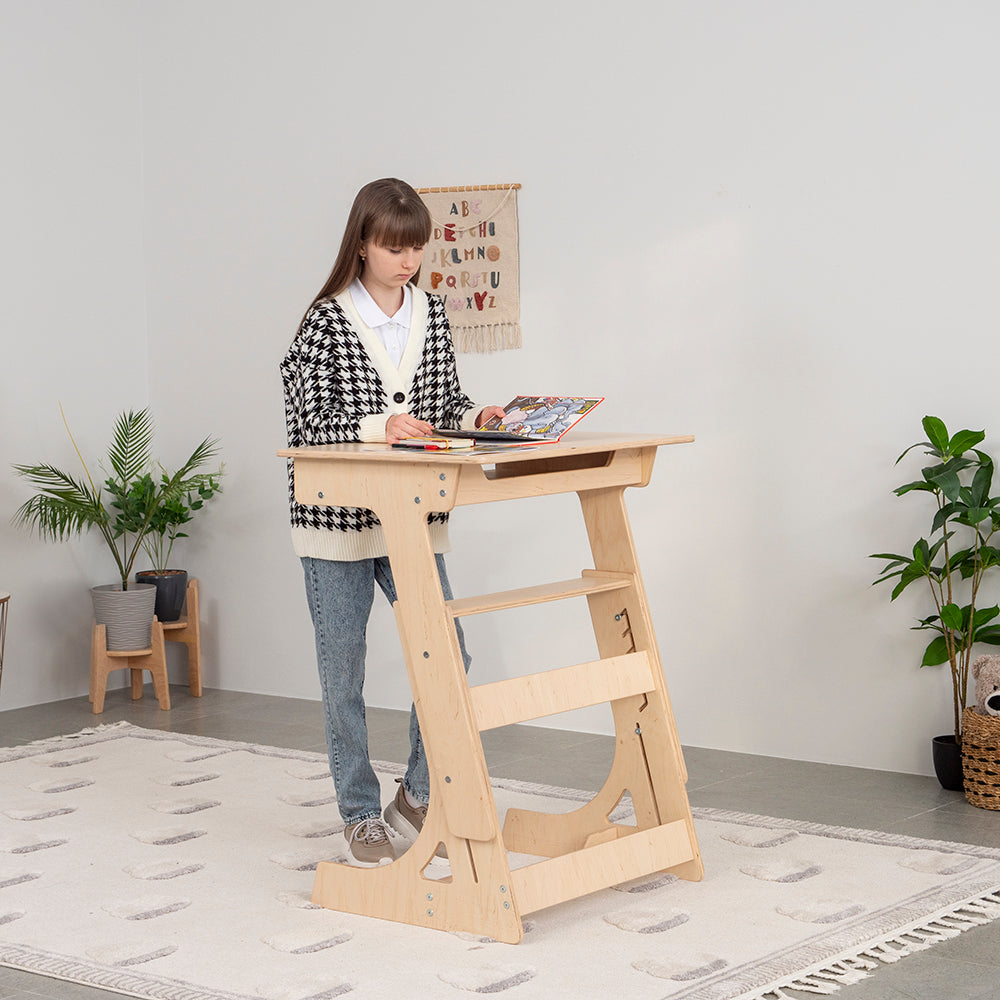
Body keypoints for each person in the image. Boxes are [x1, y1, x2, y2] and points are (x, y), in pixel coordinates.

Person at [280, 178, 504, 867]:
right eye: (393, 247)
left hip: (412, 515)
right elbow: (306, 424)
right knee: (343, 670)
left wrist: (476, 419)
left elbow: (442, 400)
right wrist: (381, 425)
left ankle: (415, 795)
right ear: (363, 243)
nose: (407, 261)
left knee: (449, 655)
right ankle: (357, 813)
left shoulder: (431, 313)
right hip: (338, 520)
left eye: (415, 247)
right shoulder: (324, 321)